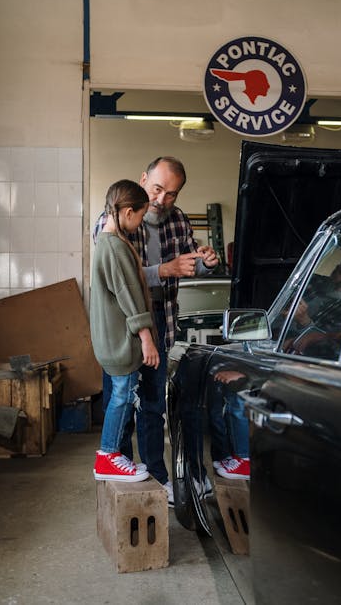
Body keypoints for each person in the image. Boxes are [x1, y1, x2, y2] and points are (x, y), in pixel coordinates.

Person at [93, 156, 219, 503]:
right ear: (143, 179)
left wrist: (206, 263)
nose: (161, 201)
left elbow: (188, 265)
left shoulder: (176, 220)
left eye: (171, 194)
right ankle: (115, 470)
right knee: (120, 400)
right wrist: (163, 270)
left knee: (152, 405)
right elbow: (119, 279)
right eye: (157, 190)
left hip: (160, 325)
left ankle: (155, 474)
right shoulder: (111, 222)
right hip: (124, 331)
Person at [90, 179, 160, 482]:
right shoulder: (116, 247)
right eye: (141, 216)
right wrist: (147, 340)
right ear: (128, 211)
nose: (140, 222)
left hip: (110, 340)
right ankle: (108, 455)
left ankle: (112, 455)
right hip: (121, 342)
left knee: (122, 395)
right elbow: (130, 299)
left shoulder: (106, 243)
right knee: (122, 396)